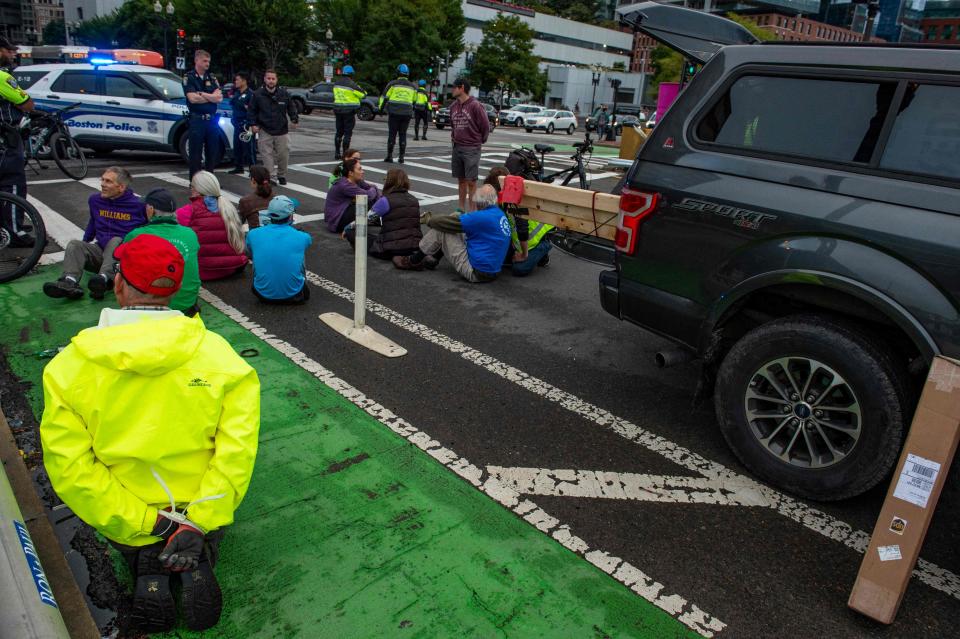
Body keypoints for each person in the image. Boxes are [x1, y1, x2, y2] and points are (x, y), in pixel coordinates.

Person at [40, 233, 260, 633]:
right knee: (202, 526)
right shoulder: (223, 358)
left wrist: (152, 522)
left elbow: (71, 470)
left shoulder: (67, 369)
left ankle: (146, 554)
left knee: (129, 530)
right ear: (174, 289)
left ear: (119, 284)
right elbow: (237, 452)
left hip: (127, 511)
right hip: (200, 508)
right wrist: (197, 520)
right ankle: (196, 544)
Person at [43, 167, 147, 300]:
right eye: (102, 179)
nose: (102, 184)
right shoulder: (95, 200)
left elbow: (150, 230)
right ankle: (69, 282)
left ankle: (104, 279)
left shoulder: (139, 205)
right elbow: (93, 222)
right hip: (102, 253)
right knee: (75, 245)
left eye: (108, 181)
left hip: (125, 261)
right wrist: (85, 243)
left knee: (116, 240)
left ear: (121, 187)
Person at [393, 184, 509, 283]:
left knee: (442, 229)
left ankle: (413, 260)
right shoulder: (499, 214)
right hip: (493, 269)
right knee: (455, 216)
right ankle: (433, 258)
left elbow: (437, 222)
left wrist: (427, 219)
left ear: (479, 203)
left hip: (478, 273)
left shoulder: (481, 217)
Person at [123, 188, 201, 316]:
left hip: (154, 307)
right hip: (187, 304)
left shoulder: (136, 235)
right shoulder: (190, 233)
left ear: (151, 210)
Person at [175, 171, 247, 280]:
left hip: (202, 271)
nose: (190, 189)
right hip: (232, 268)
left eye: (191, 186)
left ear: (197, 190)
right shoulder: (228, 207)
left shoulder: (186, 212)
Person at [484, 167, 553, 276]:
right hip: (519, 241)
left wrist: (524, 255)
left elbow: (522, 228)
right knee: (503, 261)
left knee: (518, 269)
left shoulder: (513, 197)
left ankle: (544, 247)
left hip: (536, 239)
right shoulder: (504, 195)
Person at [0, 35, 36, 246]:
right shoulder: (2, 77)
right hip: (5, 140)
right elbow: (27, 104)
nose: (12, 54)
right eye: (8, 50)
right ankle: (14, 232)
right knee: (12, 183)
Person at [245, 195, 312, 304]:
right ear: (290, 216)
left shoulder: (253, 234)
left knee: (258, 251)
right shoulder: (303, 236)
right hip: (295, 295)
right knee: (299, 250)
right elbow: (307, 242)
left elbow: (248, 251)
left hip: (261, 294)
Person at [344, 168, 421, 260]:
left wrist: (347, 227)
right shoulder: (414, 199)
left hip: (392, 249)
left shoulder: (385, 200)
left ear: (389, 182)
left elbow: (366, 220)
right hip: (415, 246)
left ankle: (361, 248)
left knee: (351, 232)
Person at [248, 69, 298, 185]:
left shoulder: (284, 94)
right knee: (266, 155)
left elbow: (291, 107)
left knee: (283, 154)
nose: (271, 81)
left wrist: (294, 118)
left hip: (282, 130)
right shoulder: (257, 94)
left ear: (276, 80)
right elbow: (252, 111)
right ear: (265, 79)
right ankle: (271, 176)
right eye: (268, 78)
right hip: (265, 129)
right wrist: (252, 124)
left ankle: (282, 175)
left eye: (273, 79)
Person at [449, 78, 489, 212]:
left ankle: (472, 211)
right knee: (461, 180)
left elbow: (485, 126)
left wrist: (478, 142)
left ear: (461, 88)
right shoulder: (453, 106)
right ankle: (461, 209)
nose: (452, 90)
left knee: (471, 181)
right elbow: (453, 125)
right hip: (457, 147)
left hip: (471, 148)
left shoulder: (475, 105)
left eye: (454, 87)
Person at [183, 50, 223, 178]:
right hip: (197, 120)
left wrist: (202, 94)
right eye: (204, 61)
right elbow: (192, 99)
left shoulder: (212, 77)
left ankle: (209, 181)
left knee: (212, 152)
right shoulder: (189, 77)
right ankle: (194, 182)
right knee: (195, 153)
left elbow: (219, 98)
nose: (207, 64)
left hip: (211, 120)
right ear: (197, 61)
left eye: (208, 61)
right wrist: (211, 97)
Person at [324, 158, 379, 234]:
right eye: (359, 169)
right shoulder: (345, 185)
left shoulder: (356, 180)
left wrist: (374, 189)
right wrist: (374, 188)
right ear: (351, 173)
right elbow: (369, 195)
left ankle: (378, 219)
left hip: (342, 213)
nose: (363, 172)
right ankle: (378, 219)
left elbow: (370, 189)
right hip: (337, 221)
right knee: (366, 202)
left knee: (371, 199)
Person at [378, 64, 417, 164]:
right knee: (403, 134)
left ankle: (389, 156)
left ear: (397, 73)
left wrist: (381, 109)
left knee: (392, 133)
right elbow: (414, 100)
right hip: (406, 113)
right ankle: (401, 157)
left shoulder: (392, 84)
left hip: (394, 112)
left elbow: (384, 97)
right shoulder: (413, 86)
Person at [332, 65, 365, 160]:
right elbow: (363, 94)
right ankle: (345, 154)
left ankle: (337, 153)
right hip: (349, 111)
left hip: (338, 110)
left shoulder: (336, 83)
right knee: (347, 133)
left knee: (338, 132)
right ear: (351, 74)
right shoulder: (352, 84)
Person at [228, 71, 256, 175]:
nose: (235, 82)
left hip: (246, 125)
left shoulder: (250, 94)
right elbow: (233, 103)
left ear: (244, 81)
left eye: (237, 79)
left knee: (249, 149)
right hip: (237, 123)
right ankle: (238, 167)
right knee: (237, 147)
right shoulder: (236, 93)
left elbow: (252, 110)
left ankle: (253, 169)